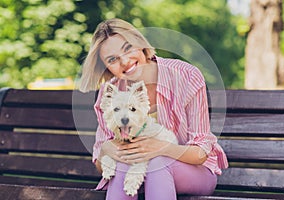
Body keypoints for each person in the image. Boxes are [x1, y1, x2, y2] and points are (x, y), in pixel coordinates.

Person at [79, 18, 228, 200]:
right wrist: (106, 150)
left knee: (158, 162)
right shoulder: (110, 92)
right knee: (122, 165)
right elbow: (102, 165)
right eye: (112, 59)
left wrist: (160, 148)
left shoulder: (186, 76)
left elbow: (200, 153)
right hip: (135, 173)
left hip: (193, 171)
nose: (125, 61)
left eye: (127, 48)